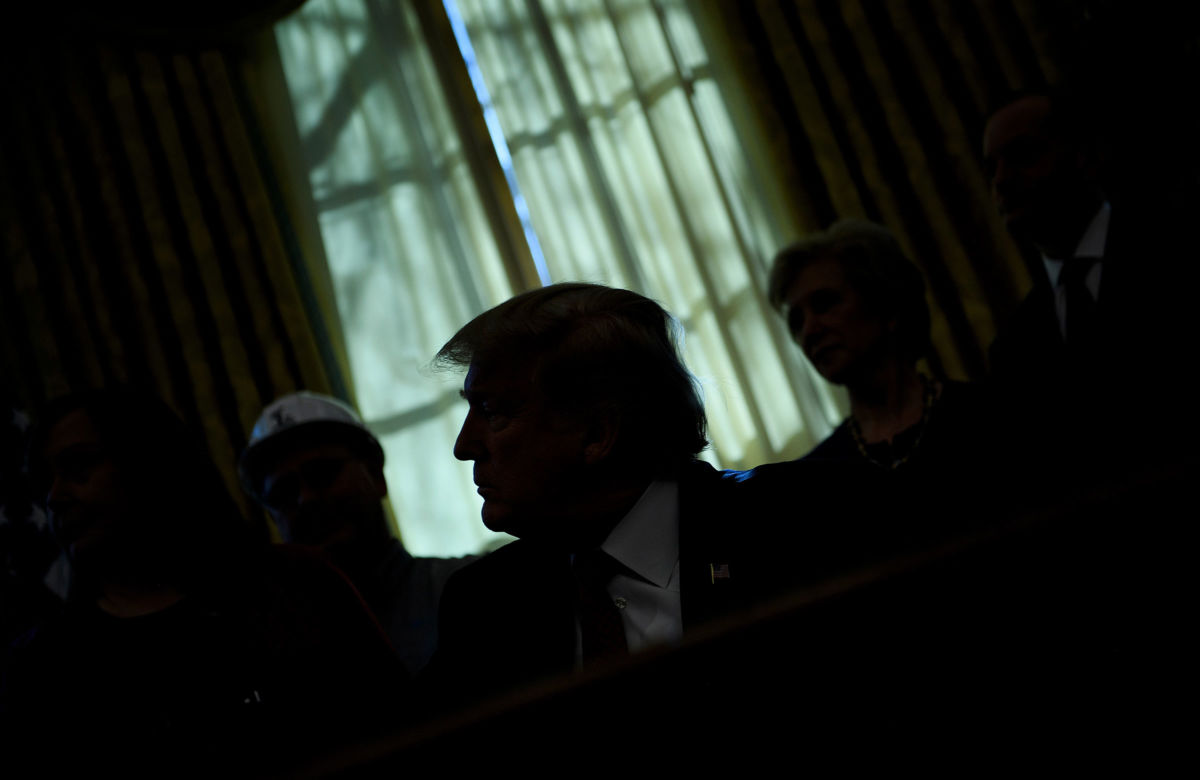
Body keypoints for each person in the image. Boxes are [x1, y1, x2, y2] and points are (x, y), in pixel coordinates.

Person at [2, 389, 410, 774]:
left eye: (78, 466)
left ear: (149, 462)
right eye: (43, 481)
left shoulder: (298, 587)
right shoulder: (43, 669)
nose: (55, 496)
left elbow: (403, 731)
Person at [424, 283, 788, 704]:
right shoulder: (485, 605)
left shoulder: (799, 526)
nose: (463, 446)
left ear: (597, 434)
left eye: (492, 413)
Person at [982, 89, 1196, 469]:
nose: (1001, 180)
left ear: (1082, 156)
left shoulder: (1179, 247)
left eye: (1021, 156)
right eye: (992, 167)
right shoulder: (1015, 350)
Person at [238, 391, 476, 675]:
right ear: (272, 518)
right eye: (283, 492)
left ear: (376, 476)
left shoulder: (475, 590)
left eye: (323, 473)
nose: (306, 498)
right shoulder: (265, 650)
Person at [768, 219, 997, 474]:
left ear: (886, 304)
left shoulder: (988, 414)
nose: (809, 331)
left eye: (825, 304)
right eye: (797, 322)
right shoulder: (817, 475)